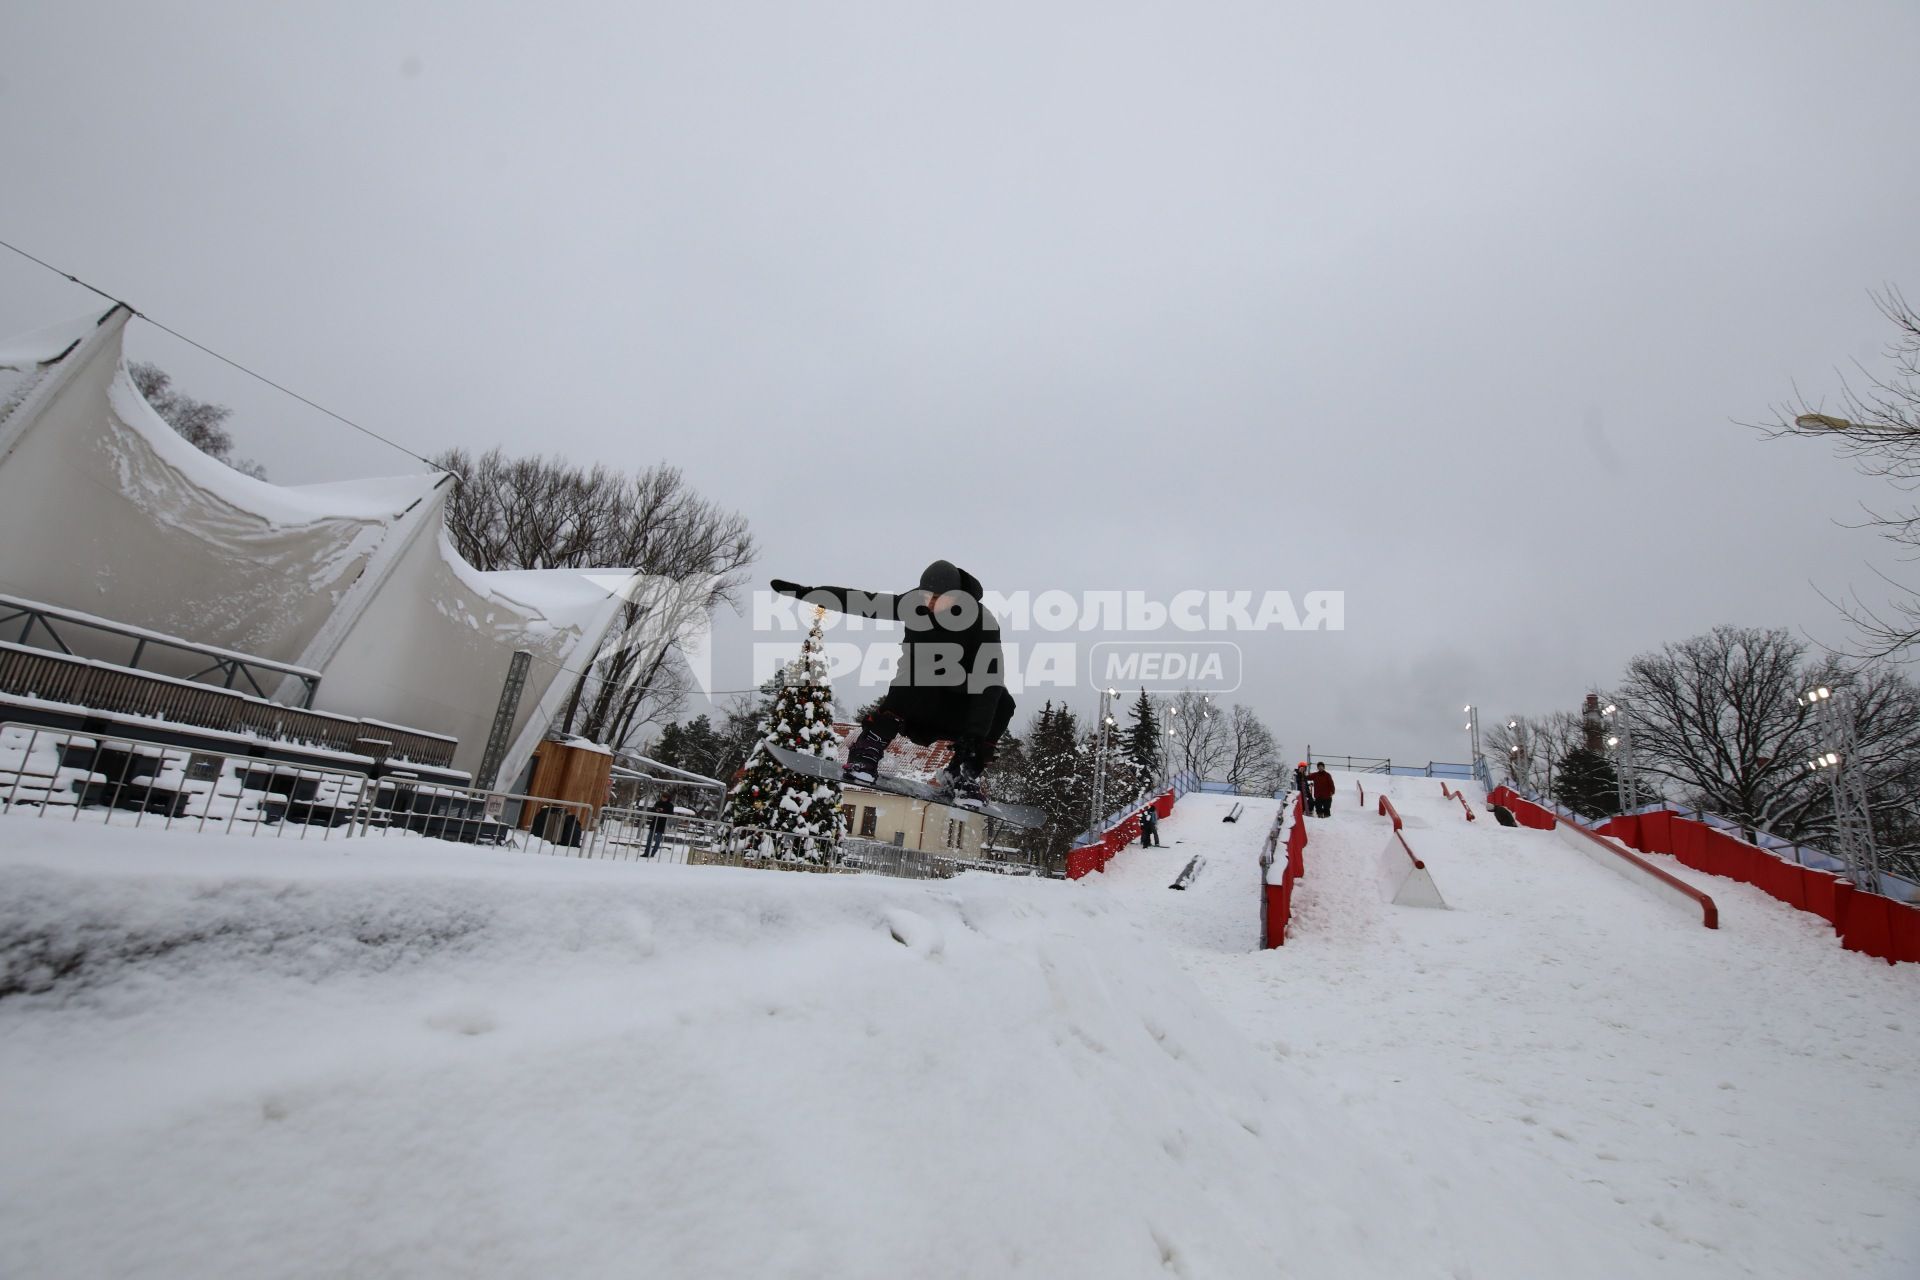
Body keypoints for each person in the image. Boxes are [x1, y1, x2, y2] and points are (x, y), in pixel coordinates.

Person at [771, 560, 1015, 808]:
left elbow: (990, 680)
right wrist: (807, 592)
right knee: (923, 667)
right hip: (914, 704)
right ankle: (868, 749)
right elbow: (860, 602)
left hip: (959, 713)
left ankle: (962, 773)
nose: (930, 604)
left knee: (1004, 702)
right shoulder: (913, 604)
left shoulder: (982, 621)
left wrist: (974, 736)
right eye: (926, 597)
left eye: (939, 599)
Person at [642, 792, 672, 858]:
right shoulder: (658, 803)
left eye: (665, 797)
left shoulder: (670, 805)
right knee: (649, 838)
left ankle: (653, 853)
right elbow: (652, 810)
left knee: (658, 840)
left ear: (668, 798)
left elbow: (670, 814)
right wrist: (656, 810)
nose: (663, 799)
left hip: (662, 824)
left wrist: (663, 810)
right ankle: (646, 853)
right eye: (663, 797)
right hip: (654, 822)